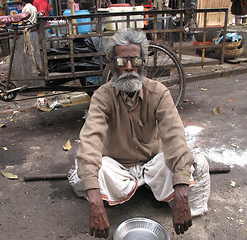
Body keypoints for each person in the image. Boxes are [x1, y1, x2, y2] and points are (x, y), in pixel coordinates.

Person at [68, 28, 210, 238]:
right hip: (118, 168)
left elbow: (175, 137)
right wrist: (96, 202)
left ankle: (162, 194)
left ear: (143, 63)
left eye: (135, 61)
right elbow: (90, 141)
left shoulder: (158, 92)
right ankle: (142, 192)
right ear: (110, 64)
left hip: (153, 164)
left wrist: (181, 193)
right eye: (120, 61)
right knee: (87, 171)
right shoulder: (102, 96)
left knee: (195, 161)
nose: (128, 67)